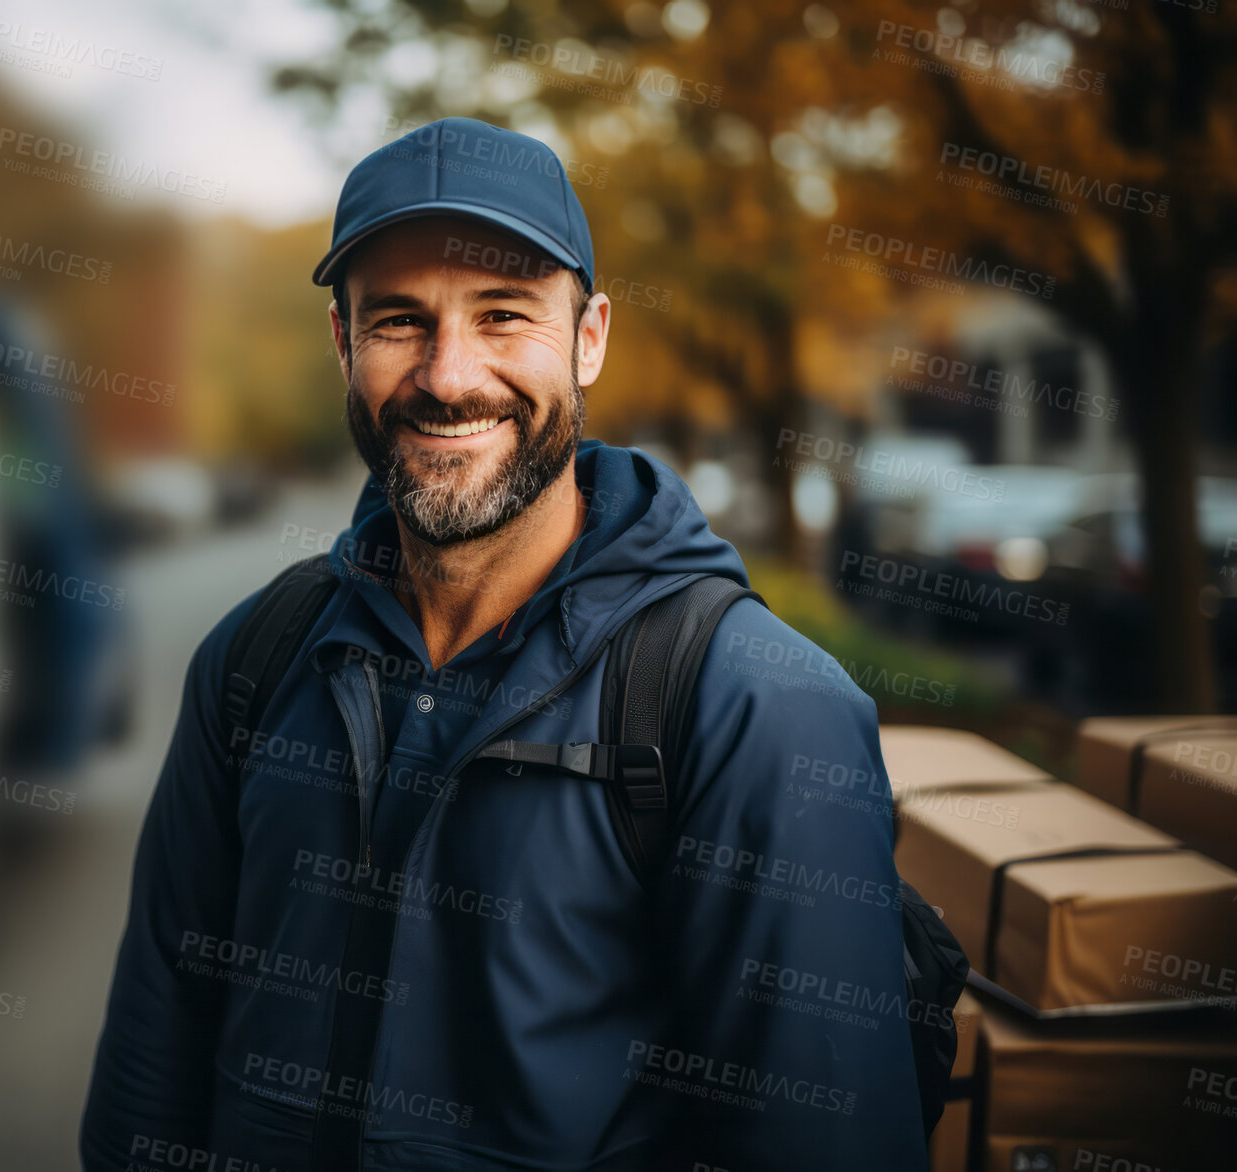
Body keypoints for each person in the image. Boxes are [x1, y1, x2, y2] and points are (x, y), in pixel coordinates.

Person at [79, 116, 928, 1172]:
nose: (446, 375)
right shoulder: (254, 658)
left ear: (589, 337)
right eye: (397, 320)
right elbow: (152, 1071)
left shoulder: (755, 707)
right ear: (343, 344)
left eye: (502, 315)